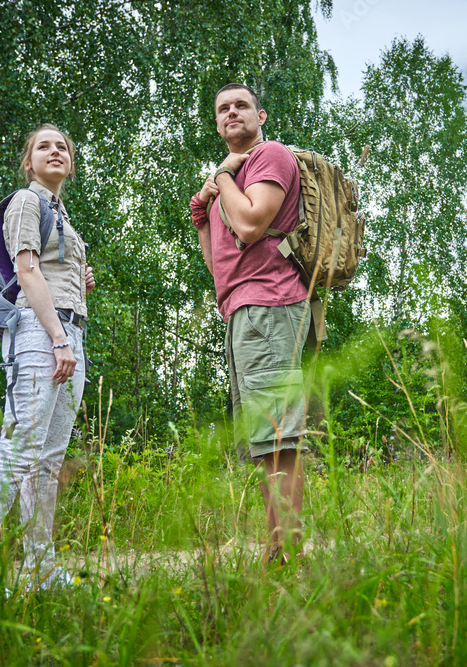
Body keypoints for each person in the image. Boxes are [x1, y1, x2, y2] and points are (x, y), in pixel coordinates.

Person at [0, 123, 95, 604]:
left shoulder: (62, 214)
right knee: (16, 453)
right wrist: (58, 338)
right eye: (43, 146)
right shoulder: (25, 201)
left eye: (62, 147)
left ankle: (39, 570)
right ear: (28, 160)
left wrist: (79, 282)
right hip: (41, 333)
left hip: (68, 332)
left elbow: (49, 270)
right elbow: (25, 271)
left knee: (47, 462)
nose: (55, 151)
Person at [190, 83, 311, 565]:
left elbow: (250, 225)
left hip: (270, 304)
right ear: (217, 123)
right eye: (223, 109)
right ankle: (278, 550)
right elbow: (221, 265)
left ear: (260, 114)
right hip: (243, 308)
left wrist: (220, 177)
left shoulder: (270, 155)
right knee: (266, 440)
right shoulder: (231, 180)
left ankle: (286, 555)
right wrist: (204, 213)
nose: (231, 113)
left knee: (279, 437)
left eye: (240, 105)